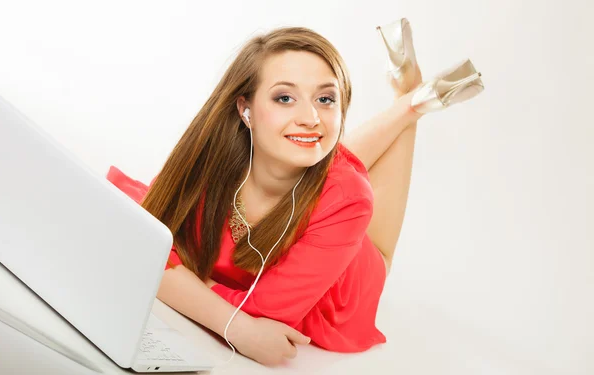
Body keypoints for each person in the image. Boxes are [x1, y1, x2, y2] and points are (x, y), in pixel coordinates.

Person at [107, 20, 484, 366]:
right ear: (245, 109)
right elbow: (144, 241)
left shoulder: (349, 198)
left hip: (344, 287)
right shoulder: (212, 151)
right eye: (284, 97)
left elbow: (263, 313)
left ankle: (413, 104)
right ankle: (416, 96)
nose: (312, 116)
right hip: (309, 177)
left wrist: (190, 280)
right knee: (311, 152)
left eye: (326, 99)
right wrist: (231, 321)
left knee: (337, 176)